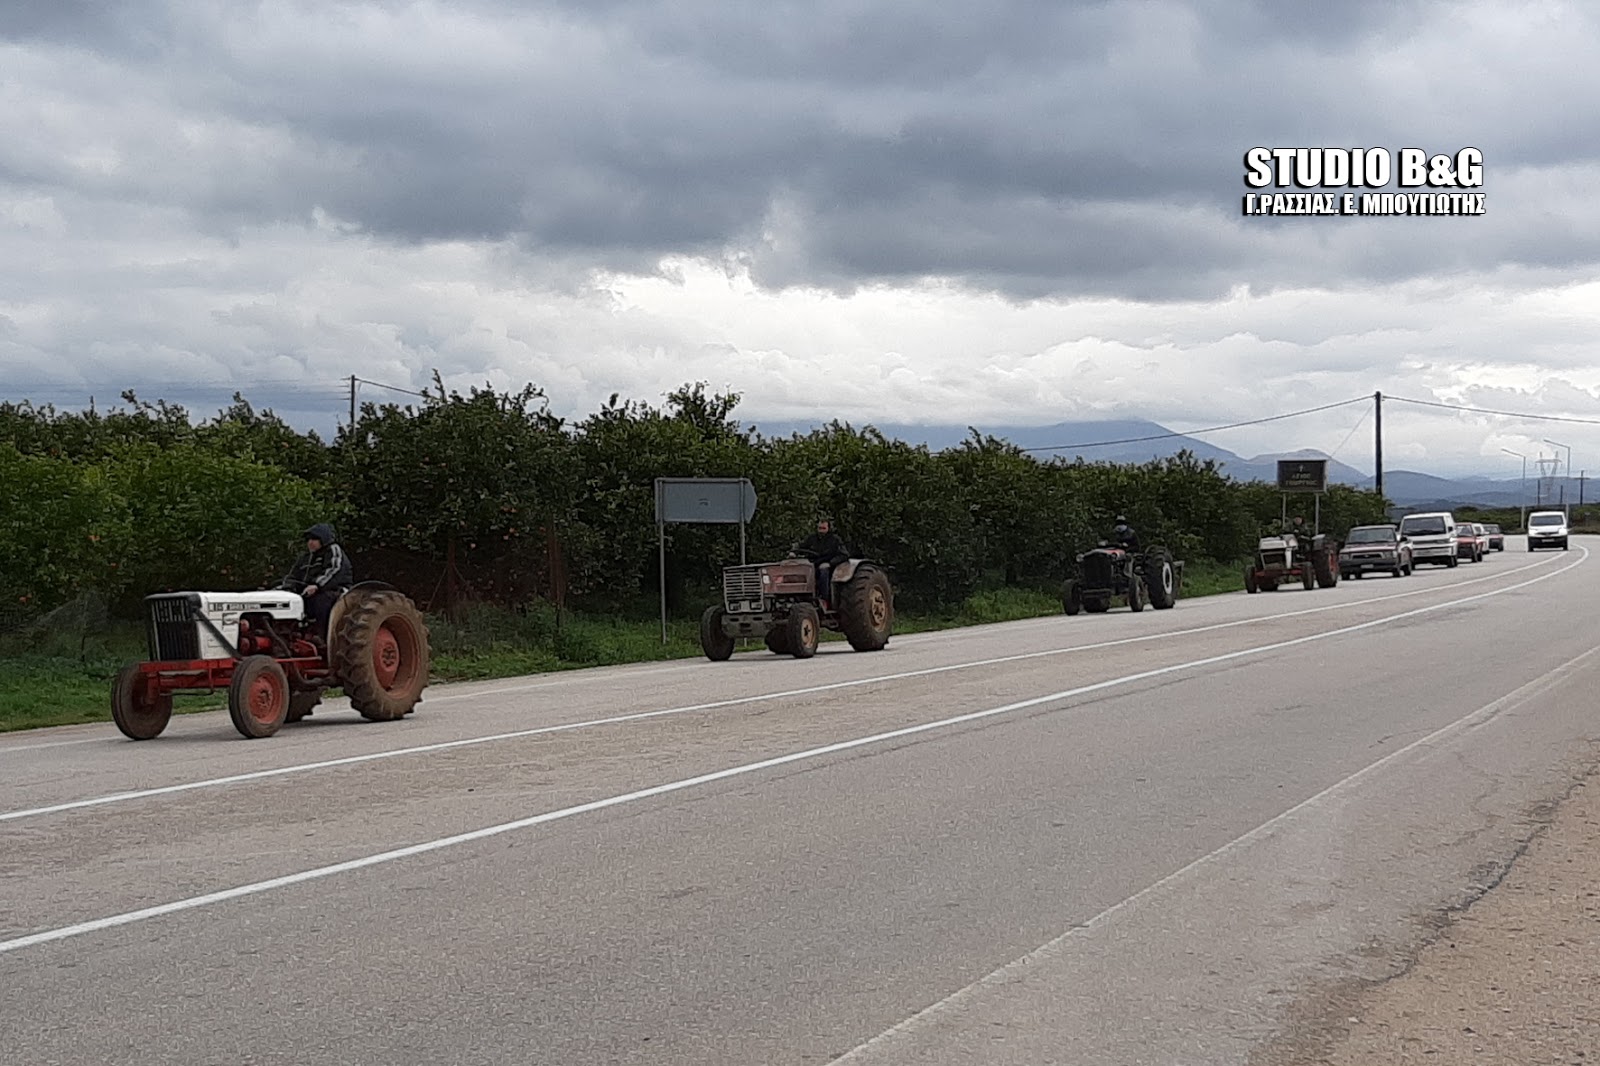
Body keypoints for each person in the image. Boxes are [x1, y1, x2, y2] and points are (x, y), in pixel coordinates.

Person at [278, 522, 353, 638]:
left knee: (321, 601)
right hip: (308, 592)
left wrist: (317, 585)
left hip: (335, 590)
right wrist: (286, 587)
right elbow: (293, 575)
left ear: (324, 539)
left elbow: (334, 570)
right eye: (308, 539)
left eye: (314, 539)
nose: (310, 542)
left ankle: (322, 636)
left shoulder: (333, 550)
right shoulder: (305, 558)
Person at [793, 517, 849, 607]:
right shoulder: (812, 539)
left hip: (828, 565)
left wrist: (830, 563)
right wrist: (794, 553)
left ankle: (825, 599)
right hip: (812, 564)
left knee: (823, 572)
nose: (821, 531)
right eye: (819, 528)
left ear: (828, 528)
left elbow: (843, 555)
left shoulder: (835, 540)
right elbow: (801, 547)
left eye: (823, 528)